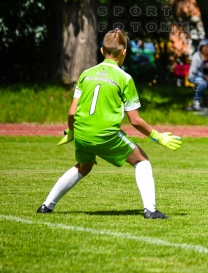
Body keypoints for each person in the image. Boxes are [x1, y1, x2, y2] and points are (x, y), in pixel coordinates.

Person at [37, 29, 183, 219]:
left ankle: (46, 206)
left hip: (81, 132)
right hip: (106, 134)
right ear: (123, 52)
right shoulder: (125, 78)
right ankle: (150, 210)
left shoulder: (86, 74)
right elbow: (135, 120)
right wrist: (158, 137)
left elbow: (72, 112)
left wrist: (72, 132)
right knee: (142, 161)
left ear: (101, 50)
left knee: (84, 166)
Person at [188, 38, 208, 112]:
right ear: (201, 47)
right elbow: (194, 71)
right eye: (204, 47)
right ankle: (196, 102)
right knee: (202, 83)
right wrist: (204, 76)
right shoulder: (196, 56)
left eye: (207, 47)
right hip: (195, 76)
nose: (206, 48)